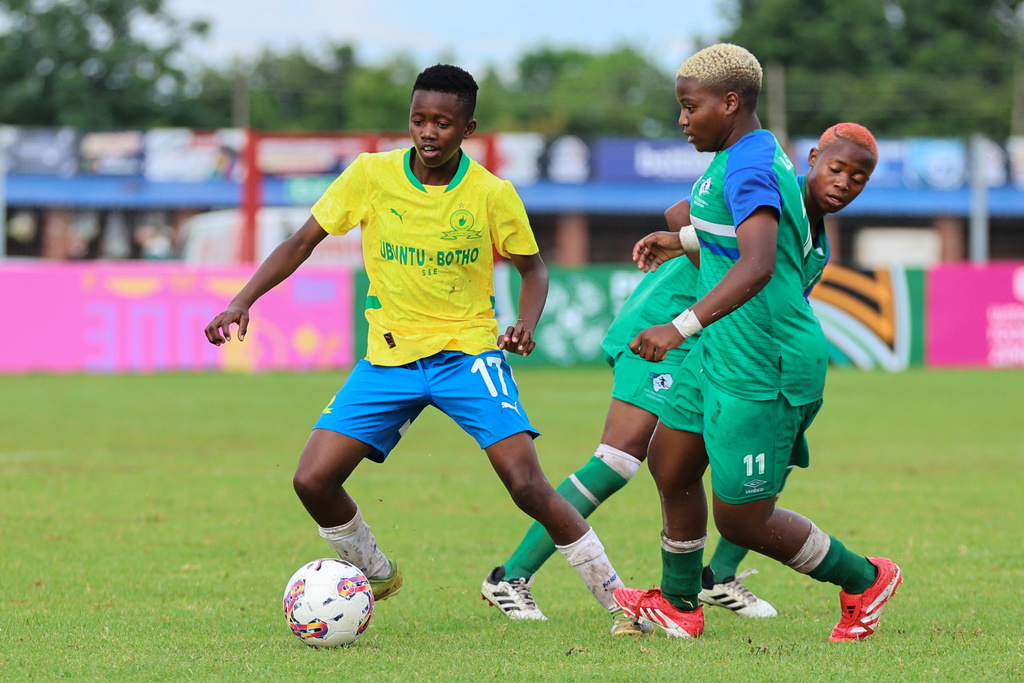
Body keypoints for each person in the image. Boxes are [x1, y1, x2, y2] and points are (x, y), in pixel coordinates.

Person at [204, 64, 633, 635]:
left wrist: (524, 323)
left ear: (467, 127)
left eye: (443, 123)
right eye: (419, 120)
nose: (428, 132)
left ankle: (621, 602)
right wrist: (242, 300)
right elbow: (302, 241)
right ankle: (375, 570)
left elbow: (534, 270)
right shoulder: (371, 175)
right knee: (311, 481)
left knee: (527, 484)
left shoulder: (490, 194)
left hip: (469, 356)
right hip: (389, 358)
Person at [481, 121, 878, 631]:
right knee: (622, 458)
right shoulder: (771, 184)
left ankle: (711, 581)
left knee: (745, 473)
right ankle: (511, 576)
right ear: (813, 158)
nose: (844, 180)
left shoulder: (814, 239)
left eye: (857, 176)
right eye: (836, 167)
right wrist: (686, 238)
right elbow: (687, 213)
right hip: (668, 328)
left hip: (713, 345)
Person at [611, 44, 902, 642]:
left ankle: (865, 579)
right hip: (724, 350)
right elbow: (740, 228)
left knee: (743, 522)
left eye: (690, 108)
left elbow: (759, 263)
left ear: (730, 102)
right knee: (670, 463)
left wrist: (678, 326)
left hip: (762, 366)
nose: (683, 119)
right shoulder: (749, 153)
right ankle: (679, 603)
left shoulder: (748, 165)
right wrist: (685, 239)